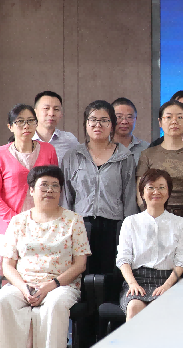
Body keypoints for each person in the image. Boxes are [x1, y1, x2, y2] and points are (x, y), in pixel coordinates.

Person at [0, 166, 90, 348]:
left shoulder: (74, 220)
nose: (49, 190)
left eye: (55, 186)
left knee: (54, 304)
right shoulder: (18, 222)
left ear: (60, 191)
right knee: (4, 300)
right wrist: (24, 289)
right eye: (44, 185)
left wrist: (50, 285)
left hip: (61, 284)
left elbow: (80, 264)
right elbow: (8, 266)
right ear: (31, 190)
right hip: (24, 284)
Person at [0, 104, 58, 308]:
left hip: (42, 225)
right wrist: (15, 219)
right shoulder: (0, 154)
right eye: (20, 122)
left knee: (39, 275)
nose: (26, 126)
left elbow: (55, 185)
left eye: (31, 121)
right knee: (4, 276)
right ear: (10, 126)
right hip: (8, 226)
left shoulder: (48, 150)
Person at [61, 100, 137, 275]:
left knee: (110, 277)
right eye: (93, 120)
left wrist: (128, 230)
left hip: (114, 226)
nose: (98, 125)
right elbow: (66, 196)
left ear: (112, 125)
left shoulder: (124, 157)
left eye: (104, 120)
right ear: (85, 124)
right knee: (80, 275)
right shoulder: (73, 156)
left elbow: (129, 196)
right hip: (80, 225)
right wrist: (66, 228)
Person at [116, 169, 183, 321]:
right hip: (138, 280)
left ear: (168, 193)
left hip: (168, 280)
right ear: (142, 193)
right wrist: (133, 284)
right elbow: (123, 258)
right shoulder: (130, 222)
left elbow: (182, 260)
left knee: (162, 307)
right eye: (151, 187)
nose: (156, 192)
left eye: (161, 187)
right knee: (134, 307)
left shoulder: (180, 223)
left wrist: (167, 285)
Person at [137, 100, 183, 217]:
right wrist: (150, 215)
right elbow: (140, 192)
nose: (174, 121)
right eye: (169, 117)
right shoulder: (147, 154)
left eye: (180, 117)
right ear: (160, 122)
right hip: (155, 216)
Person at [33, 91, 80, 163]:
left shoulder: (69, 140)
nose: (51, 113)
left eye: (56, 109)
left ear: (61, 114)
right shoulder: (26, 139)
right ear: (35, 112)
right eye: (46, 108)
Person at [111, 97, 148, 165]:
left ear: (136, 119)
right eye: (119, 117)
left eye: (129, 117)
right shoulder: (102, 146)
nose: (124, 122)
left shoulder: (146, 148)